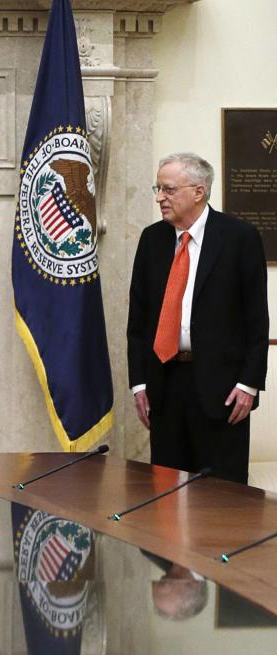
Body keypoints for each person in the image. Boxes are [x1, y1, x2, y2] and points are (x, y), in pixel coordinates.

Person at [127, 151, 269, 483]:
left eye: (169, 189)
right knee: (166, 496)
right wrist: (139, 383)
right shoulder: (152, 240)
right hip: (165, 385)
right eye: (157, 189)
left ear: (198, 191)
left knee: (223, 498)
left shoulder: (239, 238)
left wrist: (249, 384)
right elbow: (139, 320)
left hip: (223, 391)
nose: (160, 197)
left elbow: (257, 321)